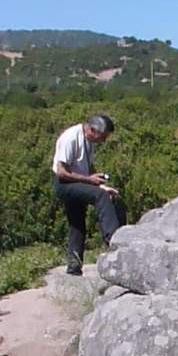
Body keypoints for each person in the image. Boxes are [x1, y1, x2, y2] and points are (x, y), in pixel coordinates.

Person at [52, 113, 126, 275]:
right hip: (65, 184)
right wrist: (91, 182)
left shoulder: (88, 141)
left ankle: (74, 265)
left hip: (78, 182)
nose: (103, 141)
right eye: (102, 137)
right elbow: (61, 172)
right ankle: (113, 240)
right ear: (92, 130)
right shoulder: (71, 137)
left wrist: (101, 184)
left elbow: (88, 167)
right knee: (101, 197)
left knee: (77, 223)